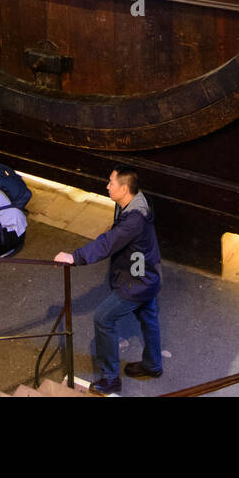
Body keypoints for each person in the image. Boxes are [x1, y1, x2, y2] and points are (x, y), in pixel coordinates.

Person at [55, 167, 162, 395]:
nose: (107, 186)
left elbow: (108, 242)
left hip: (137, 281)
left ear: (124, 189)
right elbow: (119, 236)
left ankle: (111, 379)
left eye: (111, 182)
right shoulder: (136, 202)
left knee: (103, 318)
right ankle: (153, 365)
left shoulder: (133, 220)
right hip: (147, 274)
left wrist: (74, 257)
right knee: (148, 316)